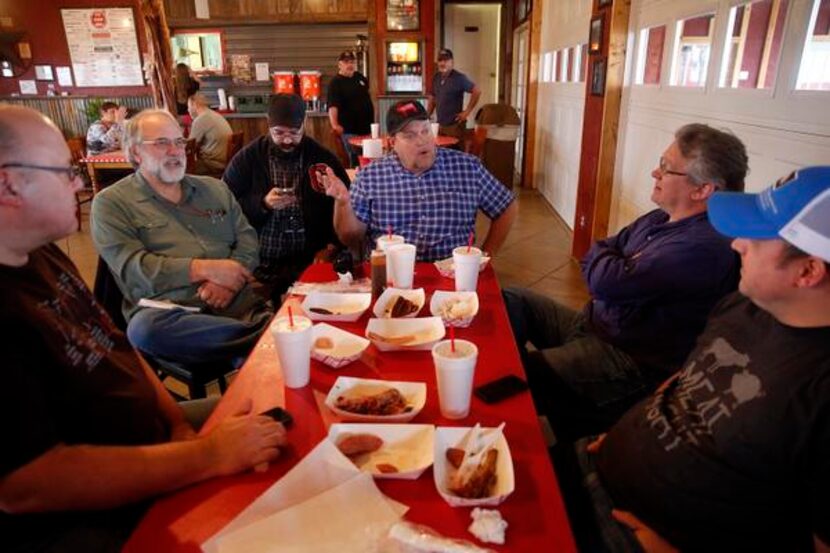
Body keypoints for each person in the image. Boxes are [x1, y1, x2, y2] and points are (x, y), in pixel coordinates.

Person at [0, 104, 287, 553]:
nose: (78, 183)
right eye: (64, 171)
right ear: (7, 183)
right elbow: (28, 485)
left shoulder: (41, 254)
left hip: (156, 422)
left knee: (281, 418)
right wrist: (204, 456)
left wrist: (177, 427)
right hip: (94, 502)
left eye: (180, 142)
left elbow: (113, 344)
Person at [563, 166, 830, 553]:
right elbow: (687, 377)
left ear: (808, 271)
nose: (737, 243)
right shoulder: (745, 304)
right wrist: (634, 431)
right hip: (600, 457)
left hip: (634, 533)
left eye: (756, 238)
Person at [504, 124, 747, 441]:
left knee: (512, 378)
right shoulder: (662, 216)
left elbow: (606, 282)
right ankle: (557, 403)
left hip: (627, 360)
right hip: (596, 324)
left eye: (665, 168)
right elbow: (602, 248)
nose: (653, 173)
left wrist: (610, 263)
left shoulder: (704, 247)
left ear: (702, 190)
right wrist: (610, 261)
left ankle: (535, 433)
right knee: (513, 300)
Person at [90, 109, 272, 367]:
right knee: (143, 330)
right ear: (134, 152)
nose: (175, 151)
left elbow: (248, 240)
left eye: (179, 142)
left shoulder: (215, 189)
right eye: (161, 143)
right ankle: (264, 340)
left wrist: (227, 283)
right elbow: (134, 269)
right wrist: (206, 269)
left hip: (235, 304)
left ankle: (250, 347)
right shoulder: (111, 204)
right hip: (173, 314)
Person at [323, 99, 516, 262]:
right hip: (390, 277)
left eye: (425, 131)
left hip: (452, 279)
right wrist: (343, 203)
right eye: (410, 135)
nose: (422, 140)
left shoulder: (467, 168)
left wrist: (484, 258)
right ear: (392, 143)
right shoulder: (370, 177)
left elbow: (506, 207)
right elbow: (350, 237)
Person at [224, 94, 350, 298]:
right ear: (268, 124)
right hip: (260, 260)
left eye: (294, 132)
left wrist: (332, 246)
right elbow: (224, 209)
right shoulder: (249, 158)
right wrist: (263, 204)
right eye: (279, 133)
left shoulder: (322, 159)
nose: (287, 139)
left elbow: (347, 205)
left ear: (304, 124)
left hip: (310, 259)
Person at [426, 48, 481, 151]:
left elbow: (477, 91)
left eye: (446, 60)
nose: (443, 63)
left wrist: (467, 111)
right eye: (440, 60)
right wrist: (427, 115)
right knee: (441, 152)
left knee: (456, 153)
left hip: (454, 126)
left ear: (452, 62)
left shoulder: (459, 78)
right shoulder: (436, 77)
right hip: (440, 125)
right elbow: (433, 98)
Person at [327, 50, 374, 167]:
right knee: (354, 160)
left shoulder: (360, 78)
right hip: (349, 130)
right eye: (346, 62)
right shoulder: (335, 83)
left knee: (369, 159)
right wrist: (335, 125)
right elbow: (332, 106)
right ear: (340, 64)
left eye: (352, 62)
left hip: (366, 129)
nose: (350, 65)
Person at [187, 92, 233, 174]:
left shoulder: (201, 119)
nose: (188, 110)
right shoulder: (214, 114)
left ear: (194, 105)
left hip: (213, 164)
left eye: (189, 107)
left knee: (182, 170)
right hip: (224, 162)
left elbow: (190, 146)